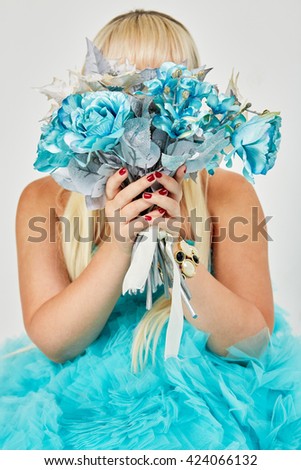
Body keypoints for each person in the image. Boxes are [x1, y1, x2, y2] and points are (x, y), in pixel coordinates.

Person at [1, 9, 301, 451]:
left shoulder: (227, 193)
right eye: (126, 93)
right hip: (84, 401)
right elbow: (55, 343)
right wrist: (119, 244)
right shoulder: (46, 199)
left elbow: (250, 341)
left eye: (164, 93)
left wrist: (181, 247)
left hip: (204, 398)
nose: (144, 116)